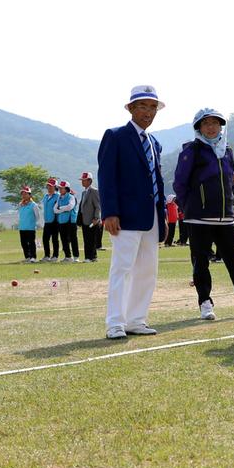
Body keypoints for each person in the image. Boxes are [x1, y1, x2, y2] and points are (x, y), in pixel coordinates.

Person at [173, 108, 234, 321]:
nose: (211, 127)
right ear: (199, 128)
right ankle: (205, 302)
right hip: (198, 217)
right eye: (206, 123)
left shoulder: (227, 150)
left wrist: (230, 207)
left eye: (215, 123)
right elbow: (180, 183)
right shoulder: (192, 150)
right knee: (201, 261)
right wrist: (191, 207)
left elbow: (229, 180)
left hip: (225, 217)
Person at [98, 85, 169, 339]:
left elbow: (158, 182)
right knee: (122, 269)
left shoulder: (154, 142)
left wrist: (163, 216)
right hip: (125, 216)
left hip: (152, 217)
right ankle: (115, 323)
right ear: (130, 108)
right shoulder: (115, 136)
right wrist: (110, 212)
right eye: (142, 106)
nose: (148, 112)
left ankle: (136, 319)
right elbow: (106, 176)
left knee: (148, 270)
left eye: (153, 107)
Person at [16, 186, 43, 262]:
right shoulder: (20, 204)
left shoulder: (33, 205)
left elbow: (37, 216)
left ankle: (33, 257)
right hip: (22, 227)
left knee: (31, 243)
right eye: (22, 194)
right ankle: (27, 257)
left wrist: (32, 222)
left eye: (25, 194)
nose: (24, 195)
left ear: (30, 195)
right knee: (23, 243)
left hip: (30, 228)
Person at [53, 180, 78, 263]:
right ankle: (68, 256)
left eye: (62, 188)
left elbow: (70, 206)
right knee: (64, 239)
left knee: (73, 239)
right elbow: (54, 209)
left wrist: (60, 208)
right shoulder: (59, 197)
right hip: (62, 221)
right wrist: (63, 209)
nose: (60, 189)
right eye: (59, 188)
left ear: (66, 189)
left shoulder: (71, 197)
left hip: (71, 221)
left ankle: (76, 257)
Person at [78, 172, 101, 262]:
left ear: (89, 181)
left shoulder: (94, 191)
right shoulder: (84, 192)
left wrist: (96, 218)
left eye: (84, 180)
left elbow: (98, 206)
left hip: (92, 220)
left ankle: (90, 257)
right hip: (85, 219)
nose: (82, 182)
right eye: (82, 180)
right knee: (86, 239)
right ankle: (91, 257)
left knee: (91, 239)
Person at [40, 177, 61, 261]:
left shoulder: (58, 196)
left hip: (55, 220)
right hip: (47, 220)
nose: (49, 187)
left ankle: (55, 256)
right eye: (48, 186)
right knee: (45, 239)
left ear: (55, 187)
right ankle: (47, 255)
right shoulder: (45, 196)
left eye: (51, 186)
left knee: (55, 239)